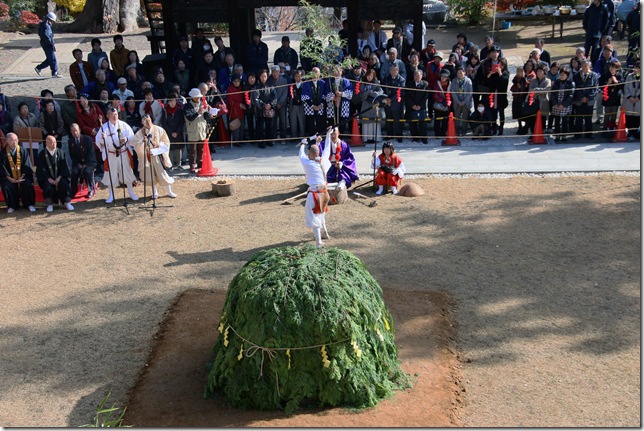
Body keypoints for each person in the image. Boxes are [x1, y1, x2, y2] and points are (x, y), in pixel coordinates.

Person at [95, 107, 139, 203]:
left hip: (123, 153)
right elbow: (98, 142)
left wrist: (126, 139)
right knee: (111, 174)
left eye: (116, 114)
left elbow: (132, 136)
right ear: (108, 116)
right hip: (111, 154)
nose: (115, 116)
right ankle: (111, 195)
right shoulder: (104, 127)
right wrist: (102, 138)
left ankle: (131, 193)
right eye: (112, 115)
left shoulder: (123, 125)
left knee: (127, 173)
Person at [298, 132, 331, 247]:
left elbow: (301, 155)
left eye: (309, 153)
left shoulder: (308, 163)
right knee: (321, 214)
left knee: (314, 216)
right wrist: (328, 134)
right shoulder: (324, 161)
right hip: (325, 193)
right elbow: (327, 148)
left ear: (311, 154)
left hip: (315, 195)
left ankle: (318, 242)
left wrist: (303, 143)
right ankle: (325, 233)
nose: (307, 155)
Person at [131, 114, 176, 199]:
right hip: (147, 156)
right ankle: (155, 192)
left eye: (149, 120)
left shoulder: (159, 129)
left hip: (158, 155)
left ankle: (169, 191)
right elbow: (134, 143)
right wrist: (142, 142)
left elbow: (165, 140)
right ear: (142, 122)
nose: (148, 122)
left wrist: (160, 145)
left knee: (163, 174)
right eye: (145, 121)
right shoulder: (140, 133)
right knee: (150, 175)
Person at [1, 132, 36, 213]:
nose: (15, 142)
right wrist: (9, 178)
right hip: (9, 177)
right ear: (7, 141)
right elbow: (2, 168)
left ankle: (29, 204)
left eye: (16, 140)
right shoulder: (3, 153)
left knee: (27, 183)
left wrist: (22, 176)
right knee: (6, 185)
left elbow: (27, 165)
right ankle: (12, 205)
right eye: (12, 140)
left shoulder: (23, 151)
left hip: (23, 176)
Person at [37, 135, 73, 212]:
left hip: (59, 176)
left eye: (55, 142)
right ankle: (50, 204)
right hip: (48, 178)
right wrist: (48, 178)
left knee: (64, 183)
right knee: (47, 186)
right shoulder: (42, 154)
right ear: (46, 143)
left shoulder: (60, 152)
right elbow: (41, 169)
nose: (54, 144)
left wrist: (59, 177)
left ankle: (67, 202)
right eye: (51, 143)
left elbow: (64, 167)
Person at [184, 88, 211, 172]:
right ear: (192, 97)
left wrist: (208, 111)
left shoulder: (203, 104)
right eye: (196, 97)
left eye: (199, 97)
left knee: (201, 149)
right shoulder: (187, 106)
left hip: (202, 129)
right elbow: (190, 117)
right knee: (192, 150)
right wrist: (198, 112)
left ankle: (200, 164)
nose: (198, 98)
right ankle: (192, 165)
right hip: (192, 130)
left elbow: (207, 118)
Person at [68, 123, 97, 198]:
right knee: (74, 172)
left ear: (79, 130)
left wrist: (85, 164)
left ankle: (90, 190)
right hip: (78, 163)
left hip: (89, 162)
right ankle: (73, 191)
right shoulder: (70, 141)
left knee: (87, 171)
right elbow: (72, 155)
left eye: (76, 131)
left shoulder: (87, 139)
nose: (75, 133)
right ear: (71, 132)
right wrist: (78, 164)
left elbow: (91, 153)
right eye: (73, 131)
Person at [599, 59, 623, 136]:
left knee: (614, 114)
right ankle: (605, 129)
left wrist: (617, 82)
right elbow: (601, 86)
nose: (612, 68)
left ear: (617, 68)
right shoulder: (605, 75)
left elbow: (622, 85)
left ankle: (612, 128)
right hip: (607, 98)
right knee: (607, 114)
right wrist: (608, 83)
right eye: (611, 67)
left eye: (614, 67)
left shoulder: (619, 75)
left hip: (615, 97)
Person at [161, 92, 185, 168]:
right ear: (168, 102)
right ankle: (170, 164)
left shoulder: (179, 110)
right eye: (170, 101)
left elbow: (182, 122)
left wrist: (177, 132)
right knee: (170, 148)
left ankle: (178, 164)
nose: (172, 103)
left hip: (178, 132)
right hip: (169, 132)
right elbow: (164, 123)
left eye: (174, 101)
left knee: (178, 148)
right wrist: (171, 132)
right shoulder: (165, 111)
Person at [551, 67, 575, 141]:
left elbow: (571, 95)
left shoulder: (571, 83)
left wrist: (563, 105)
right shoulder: (557, 82)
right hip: (556, 104)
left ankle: (564, 135)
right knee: (557, 120)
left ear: (567, 75)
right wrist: (555, 103)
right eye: (560, 74)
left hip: (565, 105)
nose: (561, 76)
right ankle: (557, 135)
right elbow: (553, 93)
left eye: (563, 75)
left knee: (565, 121)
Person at [325, 65, 352, 132]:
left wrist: (341, 94)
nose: (336, 72)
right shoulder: (329, 81)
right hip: (332, 103)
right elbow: (326, 92)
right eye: (335, 71)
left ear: (341, 71)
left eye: (338, 71)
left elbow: (350, 92)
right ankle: (332, 136)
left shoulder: (346, 81)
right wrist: (334, 97)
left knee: (342, 120)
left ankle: (341, 136)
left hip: (343, 103)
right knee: (332, 120)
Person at [359, 68, 384, 144]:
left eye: (371, 75)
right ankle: (366, 138)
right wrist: (368, 92)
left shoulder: (377, 82)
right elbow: (362, 95)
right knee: (366, 122)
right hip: (366, 105)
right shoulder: (362, 83)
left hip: (374, 105)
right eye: (368, 75)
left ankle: (376, 138)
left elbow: (380, 92)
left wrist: (372, 93)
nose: (369, 77)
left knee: (374, 122)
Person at [35, 12, 62, 78]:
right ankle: (54, 73)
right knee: (53, 59)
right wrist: (50, 42)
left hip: (45, 43)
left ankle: (39, 68)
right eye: (52, 21)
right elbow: (46, 35)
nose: (52, 23)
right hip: (47, 44)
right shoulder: (46, 26)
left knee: (50, 59)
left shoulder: (43, 24)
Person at [302, 67, 327, 136]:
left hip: (320, 106)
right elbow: (305, 96)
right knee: (311, 123)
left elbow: (325, 95)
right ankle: (311, 138)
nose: (315, 75)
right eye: (313, 73)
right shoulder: (306, 83)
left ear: (319, 74)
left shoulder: (322, 83)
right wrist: (313, 106)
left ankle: (320, 137)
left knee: (320, 122)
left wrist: (320, 105)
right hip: (310, 107)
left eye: (317, 73)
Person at [267, 65, 289, 143]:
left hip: (282, 104)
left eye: (277, 72)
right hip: (273, 105)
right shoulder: (269, 80)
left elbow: (285, 93)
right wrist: (274, 103)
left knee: (283, 122)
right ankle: (274, 138)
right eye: (273, 72)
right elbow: (269, 93)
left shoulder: (284, 80)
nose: (275, 73)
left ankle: (283, 137)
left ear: (279, 72)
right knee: (273, 121)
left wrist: (280, 103)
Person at [406, 69, 429, 143]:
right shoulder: (410, 84)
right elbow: (407, 96)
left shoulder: (425, 84)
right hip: (412, 106)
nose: (417, 77)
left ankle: (423, 138)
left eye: (418, 75)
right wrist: (413, 105)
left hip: (421, 106)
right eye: (415, 75)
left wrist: (420, 105)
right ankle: (415, 137)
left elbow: (425, 97)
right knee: (412, 123)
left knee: (422, 123)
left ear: (421, 76)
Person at [449, 66, 473, 137]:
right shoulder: (454, 80)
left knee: (465, 117)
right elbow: (452, 92)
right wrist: (458, 101)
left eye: (461, 73)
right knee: (457, 117)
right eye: (458, 73)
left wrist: (464, 101)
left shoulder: (468, 81)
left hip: (466, 102)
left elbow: (470, 92)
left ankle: (464, 131)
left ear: (464, 73)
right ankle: (456, 131)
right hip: (457, 102)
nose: (460, 74)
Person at [584, 0, 610, 65]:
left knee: (594, 50)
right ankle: (584, 63)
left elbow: (606, 20)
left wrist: (602, 30)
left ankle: (593, 64)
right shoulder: (590, 8)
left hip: (597, 33)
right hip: (589, 32)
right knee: (586, 49)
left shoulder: (604, 8)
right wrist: (586, 28)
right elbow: (585, 19)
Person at [622, 61, 640, 140]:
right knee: (629, 116)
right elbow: (626, 87)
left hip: (639, 100)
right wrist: (629, 97)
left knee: (637, 117)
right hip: (629, 99)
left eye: (638, 68)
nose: (636, 69)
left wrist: (638, 98)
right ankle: (629, 132)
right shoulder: (629, 76)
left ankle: (636, 132)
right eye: (635, 68)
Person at [433, 69, 452, 140]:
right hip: (439, 104)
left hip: (447, 104)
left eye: (445, 76)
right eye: (442, 76)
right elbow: (435, 94)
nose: (443, 78)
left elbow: (451, 94)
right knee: (437, 120)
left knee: (445, 120)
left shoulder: (450, 84)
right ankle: (437, 134)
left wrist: (448, 102)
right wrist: (441, 101)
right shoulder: (437, 84)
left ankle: (443, 133)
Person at [511, 66, 530, 135]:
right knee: (517, 112)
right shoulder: (516, 78)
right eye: (518, 71)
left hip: (524, 98)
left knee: (524, 112)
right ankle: (519, 126)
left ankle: (526, 127)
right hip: (517, 98)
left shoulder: (525, 79)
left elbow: (526, 86)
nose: (520, 73)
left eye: (521, 71)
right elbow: (513, 81)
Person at [289, 70, 305, 142]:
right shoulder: (292, 85)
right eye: (296, 77)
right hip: (294, 105)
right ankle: (293, 136)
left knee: (302, 121)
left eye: (299, 76)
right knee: (293, 121)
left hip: (301, 106)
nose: (298, 78)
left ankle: (302, 136)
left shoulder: (304, 85)